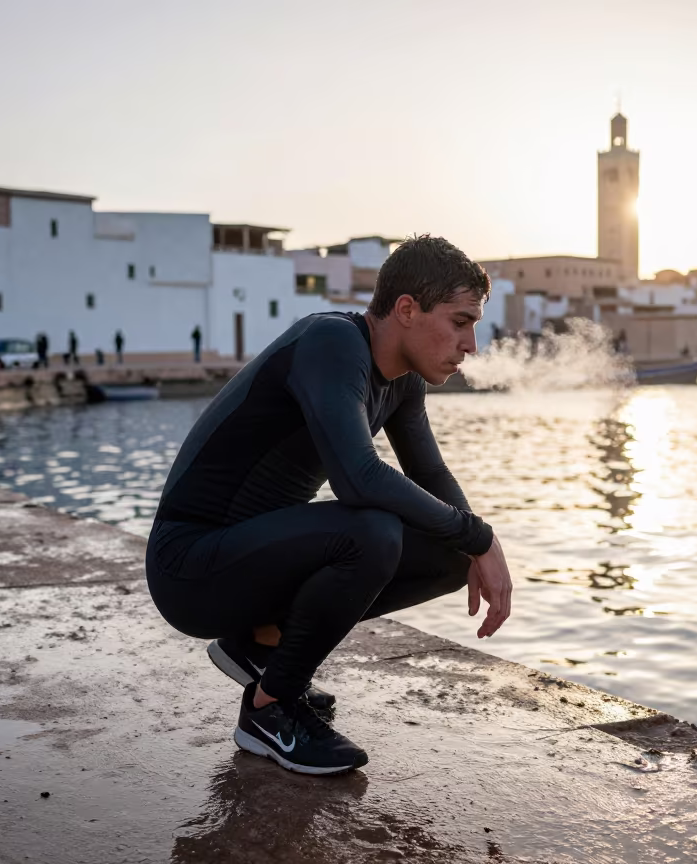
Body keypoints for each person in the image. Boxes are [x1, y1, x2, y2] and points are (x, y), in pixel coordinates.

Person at [146, 235, 513, 776]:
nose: (471, 345)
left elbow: (431, 475)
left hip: (248, 564)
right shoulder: (332, 342)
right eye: (460, 322)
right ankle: (268, 711)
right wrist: (479, 535)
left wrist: (476, 546)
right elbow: (359, 479)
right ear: (406, 309)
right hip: (188, 569)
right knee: (372, 533)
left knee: (450, 551)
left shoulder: (404, 382)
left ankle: (261, 646)